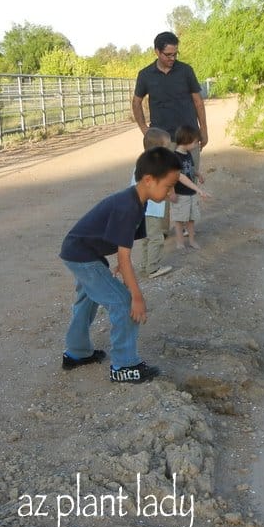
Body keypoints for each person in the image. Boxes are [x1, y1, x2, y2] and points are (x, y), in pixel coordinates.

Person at [60, 147, 181, 384]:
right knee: (124, 302)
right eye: (168, 186)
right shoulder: (129, 206)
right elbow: (125, 260)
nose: (171, 192)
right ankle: (124, 365)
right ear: (148, 180)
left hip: (80, 251)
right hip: (83, 256)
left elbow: (121, 247)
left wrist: (120, 265)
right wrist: (136, 295)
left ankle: (76, 353)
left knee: (87, 299)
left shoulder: (137, 201)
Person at [131, 31, 208, 148]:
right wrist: (144, 129)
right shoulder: (145, 75)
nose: (172, 58)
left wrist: (203, 129)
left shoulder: (186, 71)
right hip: (160, 142)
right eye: (168, 55)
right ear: (157, 51)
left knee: (189, 167)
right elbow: (136, 103)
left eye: (175, 54)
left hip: (189, 138)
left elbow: (198, 102)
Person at [130, 128, 174, 279]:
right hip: (152, 210)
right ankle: (153, 268)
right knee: (156, 238)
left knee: (146, 238)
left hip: (140, 209)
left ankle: (145, 265)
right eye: (167, 148)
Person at [173, 125, 210, 250]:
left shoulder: (188, 153)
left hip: (191, 193)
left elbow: (190, 168)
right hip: (180, 193)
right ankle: (180, 242)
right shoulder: (175, 157)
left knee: (191, 218)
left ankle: (192, 240)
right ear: (185, 140)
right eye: (195, 142)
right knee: (179, 219)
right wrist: (198, 190)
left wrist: (198, 174)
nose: (196, 145)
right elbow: (180, 177)